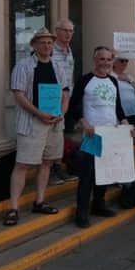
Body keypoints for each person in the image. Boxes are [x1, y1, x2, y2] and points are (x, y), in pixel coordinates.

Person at [5, 28, 69, 226]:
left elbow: (66, 92)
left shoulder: (58, 66)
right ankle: (13, 207)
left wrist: (62, 112)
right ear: (34, 45)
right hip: (33, 122)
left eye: (50, 43)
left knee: (47, 162)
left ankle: (39, 201)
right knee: (23, 164)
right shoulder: (23, 66)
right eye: (42, 42)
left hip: (55, 123)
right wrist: (38, 113)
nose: (47, 46)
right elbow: (19, 94)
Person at [68, 46, 135, 228]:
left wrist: (124, 122)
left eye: (108, 59)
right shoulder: (85, 81)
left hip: (111, 134)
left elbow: (118, 107)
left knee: (105, 174)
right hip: (93, 135)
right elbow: (74, 105)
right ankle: (81, 212)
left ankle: (99, 204)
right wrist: (84, 123)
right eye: (101, 59)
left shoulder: (113, 81)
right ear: (95, 60)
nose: (105, 62)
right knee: (87, 175)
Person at [49, 18, 76, 185]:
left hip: (67, 98)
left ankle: (58, 167)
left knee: (60, 135)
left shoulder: (69, 50)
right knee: (51, 135)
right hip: (51, 98)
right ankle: (51, 169)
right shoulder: (50, 50)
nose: (68, 34)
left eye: (71, 31)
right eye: (65, 30)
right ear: (56, 31)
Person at [112, 56, 135, 127]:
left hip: (132, 112)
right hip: (119, 113)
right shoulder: (111, 75)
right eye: (122, 60)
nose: (125, 63)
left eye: (126, 61)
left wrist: (129, 80)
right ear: (114, 62)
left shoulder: (129, 76)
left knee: (132, 136)